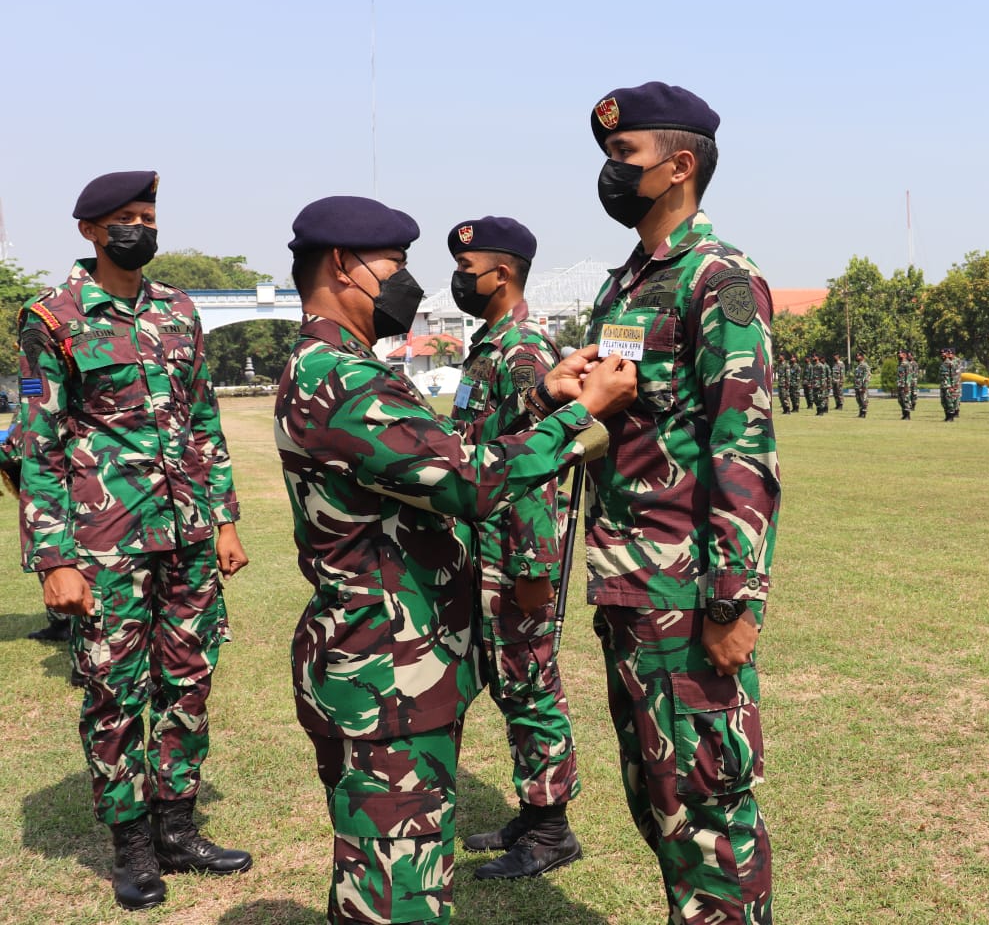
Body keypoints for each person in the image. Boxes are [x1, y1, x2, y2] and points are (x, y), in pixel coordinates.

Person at [276, 195, 635, 925]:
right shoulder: (342, 377)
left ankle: (546, 819)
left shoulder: (337, 366)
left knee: (382, 872)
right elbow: (468, 479)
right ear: (344, 266)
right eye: (398, 266)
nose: (414, 284)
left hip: (382, 658)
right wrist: (583, 414)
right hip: (388, 669)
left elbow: (431, 455)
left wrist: (537, 396)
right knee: (395, 895)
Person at [14, 170, 252, 911]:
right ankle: (133, 846)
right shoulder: (50, 318)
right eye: (123, 217)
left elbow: (203, 419)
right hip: (104, 540)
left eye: (147, 215)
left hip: (186, 533)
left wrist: (226, 518)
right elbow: (40, 445)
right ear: (89, 230)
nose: (139, 228)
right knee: (114, 691)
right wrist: (54, 559)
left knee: (189, 681)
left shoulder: (181, 311)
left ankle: (177, 828)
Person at [585, 81, 779, 924]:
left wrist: (735, 598)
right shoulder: (624, 287)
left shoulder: (721, 278)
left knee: (708, 809)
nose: (609, 171)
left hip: (685, 592)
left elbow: (745, 444)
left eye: (625, 156)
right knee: (659, 804)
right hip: (626, 584)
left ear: (681, 166)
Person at [440, 216, 585, 880]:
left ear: (501, 274)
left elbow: (537, 467)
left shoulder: (524, 349)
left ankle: (552, 830)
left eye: (467, 272)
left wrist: (532, 567)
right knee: (510, 683)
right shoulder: (488, 347)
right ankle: (532, 811)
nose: (458, 281)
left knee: (531, 685)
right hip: (484, 549)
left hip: (514, 555)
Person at [938, 347, 960, 421]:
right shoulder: (942, 364)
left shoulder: (951, 364)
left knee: (949, 402)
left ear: (947, 354)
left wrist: (953, 387)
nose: (942, 355)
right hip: (943, 386)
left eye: (943, 353)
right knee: (943, 402)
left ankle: (951, 417)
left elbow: (955, 376)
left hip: (949, 386)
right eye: (941, 353)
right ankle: (947, 416)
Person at [850, 352, 871, 417]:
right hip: (857, 386)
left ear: (862, 357)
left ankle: (864, 413)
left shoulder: (865, 365)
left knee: (863, 399)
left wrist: (864, 387)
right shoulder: (858, 366)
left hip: (862, 386)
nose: (856, 357)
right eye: (856, 356)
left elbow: (867, 376)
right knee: (858, 400)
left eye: (858, 356)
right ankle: (861, 412)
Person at [895, 349, 914, 419]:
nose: (898, 354)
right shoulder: (899, 364)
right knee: (900, 400)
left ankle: (907, 415)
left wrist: (907, 385)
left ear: (905, 355)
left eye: (900, 353)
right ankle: (904, 413)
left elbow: (908, 375)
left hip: (905, 385)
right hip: (900, 384)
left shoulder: (907, 364)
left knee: (906, 399)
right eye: (898, 353)